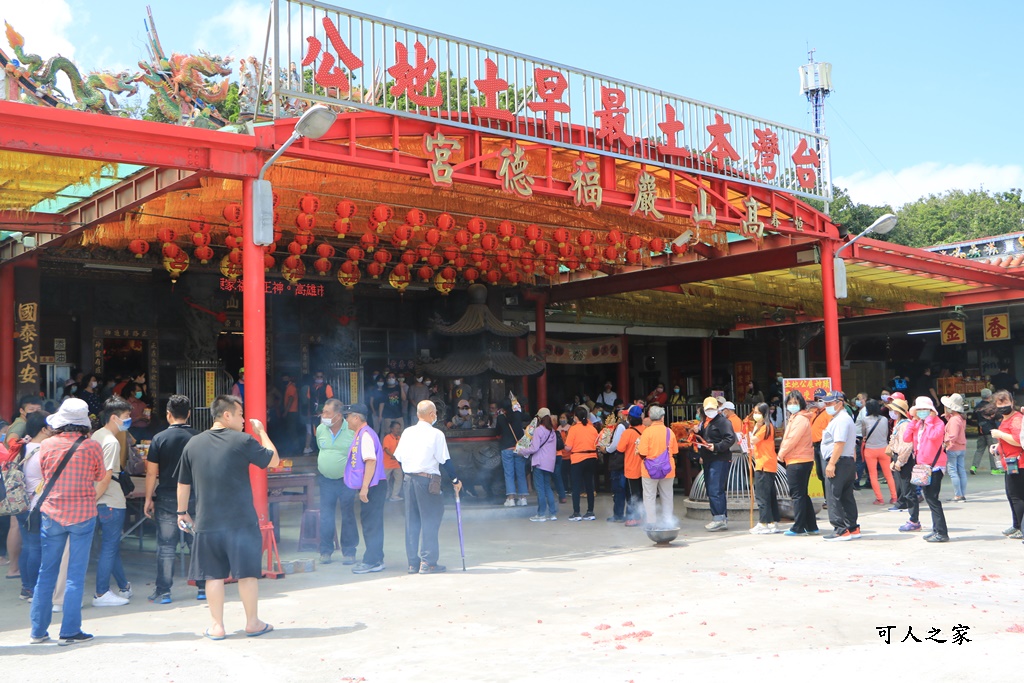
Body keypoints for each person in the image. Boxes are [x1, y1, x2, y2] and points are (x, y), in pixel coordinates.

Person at [176, 395, 279, 639]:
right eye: (240, 414)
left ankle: (217, 626)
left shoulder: (193, 444)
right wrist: (261, 432)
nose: (244, 420)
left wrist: (182, 512)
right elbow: (273, 459)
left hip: (207, 521)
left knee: (213, 575)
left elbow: (183, 483)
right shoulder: (243, 440)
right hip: (241, 521)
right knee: (247, 573)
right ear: (227, 415)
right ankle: (252, 622)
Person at [29, 398, 106, 646]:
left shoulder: (47, 444)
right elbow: (100, 475)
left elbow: (44, 472)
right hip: (83, 513)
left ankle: (38, 630)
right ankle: (70, 630)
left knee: (47, 571)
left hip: (52, 513)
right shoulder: (92, 446)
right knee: (75, 574)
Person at [143, 394, 205, 603]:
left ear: (168, 415)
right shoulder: (198, 438)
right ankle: (203, 588)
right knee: (196, 542)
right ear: (188, 414)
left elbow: (152, 473)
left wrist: (148, 498)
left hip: (167, 498)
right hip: (195, 498)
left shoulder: (159, 439)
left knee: (166, 546)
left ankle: (164, 591)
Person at [393, 400, 463, 573]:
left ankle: (412, 563)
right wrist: (455, 480)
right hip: (427, 481)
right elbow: (444, 460)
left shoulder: (407, 432)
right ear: (432, 414)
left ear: (418, 415)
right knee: (430, 520)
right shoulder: (436, 434)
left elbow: (399, 457)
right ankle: (428, 562)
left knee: (412, 521)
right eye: (435, 413)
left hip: (408, 480)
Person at [90, 397, 133, 607]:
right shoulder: (111, 441)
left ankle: (124, 586)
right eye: (126, 417)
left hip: (99, 500)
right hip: (110, 501)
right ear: (114, 417)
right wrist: (94, 500)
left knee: (109, 546)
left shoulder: (96, 436)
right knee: (109, 547)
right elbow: (106, 477)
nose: (129, 420)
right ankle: (101, 593)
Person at [342, 404, 388, 574]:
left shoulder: (366, 434)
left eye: (348, 416)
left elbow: (371, 461)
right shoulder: (361, 434)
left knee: (371, 524)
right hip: (372, 485)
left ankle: (373, 561)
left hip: (373, 486)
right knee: (370, 522)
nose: (346, 419)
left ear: (356, 417)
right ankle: (375, 558)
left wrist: (364, 488)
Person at [314, 398, 357, 565]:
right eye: (323, 412)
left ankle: (349, 551)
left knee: (348, 515)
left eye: (327, 413)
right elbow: (321, 449)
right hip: (325, 480)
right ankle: (325, 550)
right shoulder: (320, 429)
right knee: (326, 516)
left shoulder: (352, 431)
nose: (323, 415)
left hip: (346, 481)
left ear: (338, 416)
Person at [14, 412, 51, 600]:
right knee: (36, 547)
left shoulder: (23, 447)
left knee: (28, 546)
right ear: (44, 429)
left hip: (21, 503)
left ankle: (26, 587)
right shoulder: (43, 451)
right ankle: (33, 589)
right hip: (36, 506)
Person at [902, 396, 949, 542]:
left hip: (935, 467)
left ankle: (941, 532)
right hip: (922, 467)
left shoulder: (938, 423)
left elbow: (933, 437)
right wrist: (913, 421)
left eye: (925, 409)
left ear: (931, 410)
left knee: (933, 499)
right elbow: (906, 438)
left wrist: (929, 420)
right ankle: (936, 529)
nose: (922, 412)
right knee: (929, 499)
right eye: (919, 409)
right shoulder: (918, 424)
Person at [777, 391, 818, 536]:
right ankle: (811, 526)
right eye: (790, 403)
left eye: (795, 403)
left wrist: (781, 454)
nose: (792, 405)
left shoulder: (800, 419)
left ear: (801, 403)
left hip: (798, 460)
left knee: (797, 495)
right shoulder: (796, 418)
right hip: (800, 459)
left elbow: (792, 439)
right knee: (802, 494)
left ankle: (798, 527)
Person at [820, 392, 860, 542]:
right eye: (826, 403)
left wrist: (831, 464)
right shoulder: (842, 419)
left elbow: (839, 443)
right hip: (846, 461)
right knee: (846, 496)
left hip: (838, 461)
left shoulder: (841, 420)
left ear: (840, 403)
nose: (827, 406)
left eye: (830, 403)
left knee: (833, 495)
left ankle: (840, 530)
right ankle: (852, 527)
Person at [694, 396, 736, 532]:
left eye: (712, 408)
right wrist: (697, 432)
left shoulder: (723, 422)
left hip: (720, 458)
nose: (710, 411)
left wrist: (716, 447)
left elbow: (730, 438)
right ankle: (720, 517)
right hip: (709, 458)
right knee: (713, 488)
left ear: (717, 409)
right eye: (708, 409)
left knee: (715, 488)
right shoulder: (706, 422)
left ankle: (719, 518)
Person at [989, 390, 1024, 540]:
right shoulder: (1006, 419)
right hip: (1009, 463)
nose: (1003, 406)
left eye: (1005, 402)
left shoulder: (1016, 419)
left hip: (1019, 463)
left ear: (1012, 402)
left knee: (1017, 497)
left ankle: (1021, 528)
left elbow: (1018, 440)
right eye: (1000, 403)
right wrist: (998, 447)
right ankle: (1016, 525)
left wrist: (1000, 435)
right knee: (1011, 495)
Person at [637, 405, 679, 529]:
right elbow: (675, 451)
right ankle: (668, 522)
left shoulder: (647, 432)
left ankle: (651, 522)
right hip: (667, 470)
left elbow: (642, 453)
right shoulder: (669, 432)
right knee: (667, 496)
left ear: (650, 417)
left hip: (649, 470)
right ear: (662, 417)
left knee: (649, 496)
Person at [519, 408, 558, 522]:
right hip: (550, 463)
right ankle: (552, 513)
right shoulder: (552, 431)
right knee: (547, 488)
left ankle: (541, 514)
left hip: (539, 463)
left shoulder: (539, 430)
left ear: (539, 418)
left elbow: (534, 448)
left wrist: (522, 451)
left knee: (540, 489)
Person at [887, 398, 920, 525]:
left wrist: (899, 462)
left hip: (904, 459)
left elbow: (906, 446)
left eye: (892, 410)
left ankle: (914, 519)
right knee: (904, 488)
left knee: (908, 491)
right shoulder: (899, 423)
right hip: (898, 457)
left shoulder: (904, 424)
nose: (890, 412)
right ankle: (912, 518)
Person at [748, 402, 780, 534]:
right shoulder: (766, 426)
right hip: (765, 463)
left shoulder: (765, 427)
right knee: (769, 495)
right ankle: (772, 522)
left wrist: (753, 429)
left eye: (758, 412)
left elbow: (753, 440)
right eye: (754, 412)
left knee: (762, 496)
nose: (755, 415)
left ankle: (763, 522)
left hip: (764, 464)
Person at [564, 406, 600, 521]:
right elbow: (597, 444)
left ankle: (576, 512)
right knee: (589, 485)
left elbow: (568, 447)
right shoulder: (592, 429)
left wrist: (562, 445)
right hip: (591, 458)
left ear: (576, 417)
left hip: (578, 458)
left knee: (576, 486)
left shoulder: (573, 429)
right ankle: (590, 511)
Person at [860, 399, 896, 506]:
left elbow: (864, 435)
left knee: (873, 475)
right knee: (888, 475)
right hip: (884, 449)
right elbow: (886, 434)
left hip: (870, 450)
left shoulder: (865, 420)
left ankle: (879, 499)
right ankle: (894, 497)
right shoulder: (884, 419)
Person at [617, 406, 646, 527]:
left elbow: (620, 448)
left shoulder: (627, 433)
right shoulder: (646, 430)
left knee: (634, 495)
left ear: (629, 418)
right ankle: (645, 517)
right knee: (645, 494)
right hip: (645, 468)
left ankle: (636, 518)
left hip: (632, 469)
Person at [496, 399, 527, 507]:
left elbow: (497, 432)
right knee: (521, 474)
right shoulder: (518, 415)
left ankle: (511, 499)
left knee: (509, 474)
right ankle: (523, 498)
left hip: (506, 448)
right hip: (518, 448)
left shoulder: (500, 418)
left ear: (503, 409)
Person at [603, 408, 629, 522]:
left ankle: (618, 515)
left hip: (618, 461)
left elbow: (616, 445)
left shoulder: (621, 426)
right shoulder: (634, 426)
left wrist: (606, 449)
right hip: (629, 461)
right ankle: (631, 515)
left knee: (619, 489)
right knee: (629, 490)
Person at [941, 393, 968, 502]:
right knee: (961, 471)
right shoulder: (961, 418)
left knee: (953, 471)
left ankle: (958, 495)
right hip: (961, 447)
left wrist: (946, 444)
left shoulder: (954, 420)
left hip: (953, 447)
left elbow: (953, 435)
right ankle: (962, 494)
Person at [303, 370, 334, 453]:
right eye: (317, 376)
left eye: (321, 377)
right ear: (314, 377)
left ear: (323, 378)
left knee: (325, 431)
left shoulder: (327, 387)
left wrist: (326, 412)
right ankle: (317, 449)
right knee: (315, 432)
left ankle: (324, 449)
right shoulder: (311, 387)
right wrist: (309, 412)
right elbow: (309, 400)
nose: (319, 378)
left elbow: (331, 401)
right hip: (314, 414)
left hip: (324, 414)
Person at [970, 388, 999, 474]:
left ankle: (974, 467)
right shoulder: (992, 407)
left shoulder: (977, 407)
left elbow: (974, 418)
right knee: (993, 450)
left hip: (981, 431)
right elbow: (997, 417)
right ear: (990, 396)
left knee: (979, 450)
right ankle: (994, 469)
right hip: (991, 431)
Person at [810, 388, 832, 483]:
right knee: (820, 474)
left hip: (824, 444)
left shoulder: (828, 413)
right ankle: (826, 497)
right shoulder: (814, 413)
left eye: (820, 399)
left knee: (825, 473)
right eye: (816, 399)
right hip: (815, 446)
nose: (818, 401)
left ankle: (829, 497)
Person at [382, 420, 404, 501]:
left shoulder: (399, 438)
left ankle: (394, 495)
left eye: (399, 428)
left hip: (395, 463)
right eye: (397, 428)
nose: (398, 430)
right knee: (385, 481)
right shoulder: (387, 438)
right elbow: (386, 449)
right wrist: (393, 456)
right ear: (392, 429)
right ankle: (385, 495)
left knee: (399, 478)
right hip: (387, 463)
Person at [281, 373, 301, 455]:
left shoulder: (291, 387)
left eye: (286, 378)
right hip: (290, 412)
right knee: (290, 430)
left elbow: (291, 399)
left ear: (289, 378)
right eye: (283, 378)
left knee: (292, 431)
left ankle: (296, 449)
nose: (284, 380)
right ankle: (293, 448)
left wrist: (285, 412)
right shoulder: (288, 387)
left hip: (292, 412)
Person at [555, 412, 571, 503]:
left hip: (569, 454)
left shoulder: (570, 428)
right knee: (562, 473)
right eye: (560, 417)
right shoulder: (558, 429)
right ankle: (564, 488)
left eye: (563, 417)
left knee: (570, 473)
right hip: (561, 454)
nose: (562, 419)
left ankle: (570, 488)